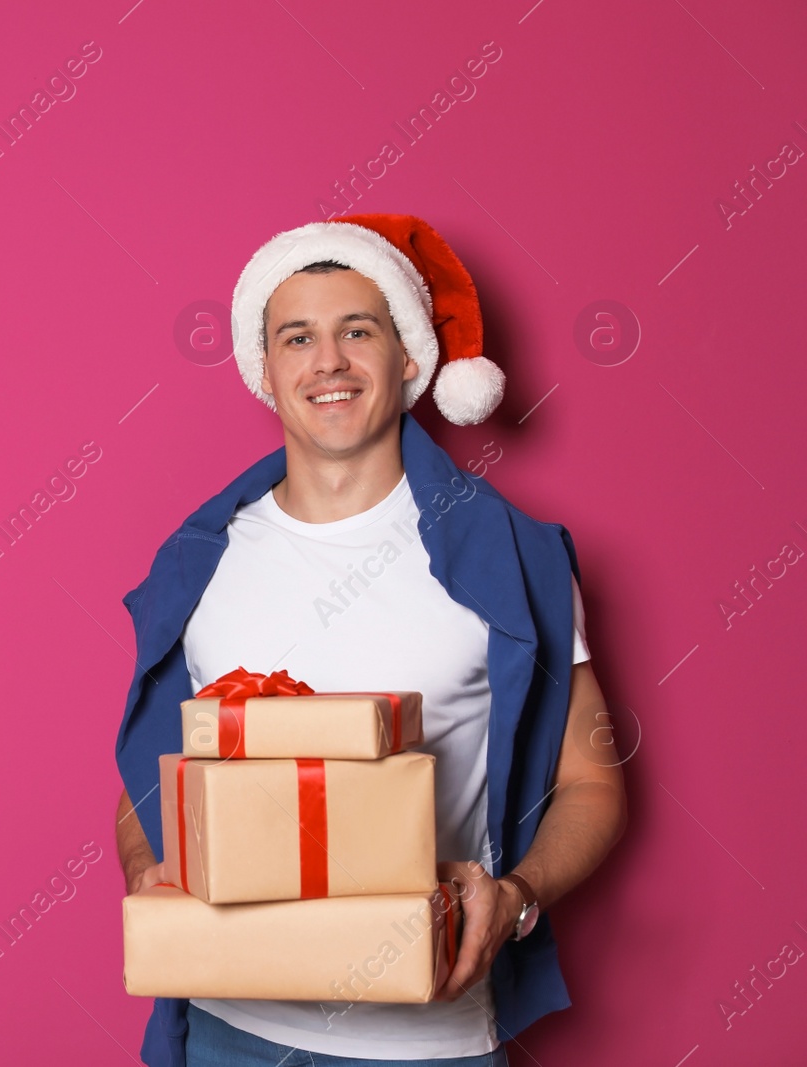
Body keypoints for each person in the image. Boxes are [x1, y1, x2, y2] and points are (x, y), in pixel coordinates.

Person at [113, 215, 628, 1066]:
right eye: (297, 337)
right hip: (227, 1029)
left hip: (432, 1039)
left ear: (409, 358)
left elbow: (592, 780)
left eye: (359, 330)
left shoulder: (514, 561)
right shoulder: (197, 565)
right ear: (266, 371)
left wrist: (519, 896)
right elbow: (151, 773)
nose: (328, 363)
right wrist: (147, 866)